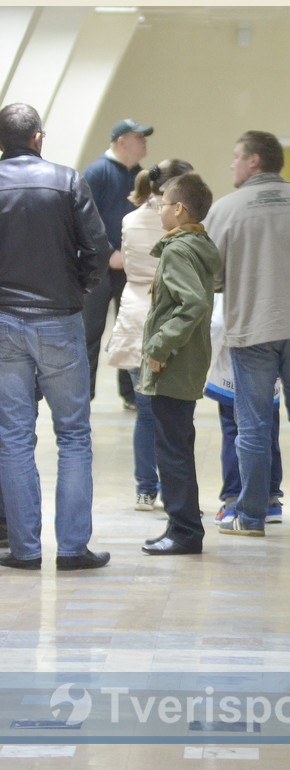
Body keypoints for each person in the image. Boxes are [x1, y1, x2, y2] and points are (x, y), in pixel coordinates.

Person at [206, 130, 290, 538]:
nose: (232, 163)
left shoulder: (226, 209)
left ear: (254, 161)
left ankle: (250, 517)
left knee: (251, 425)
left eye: (236, 156)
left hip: (252, 330)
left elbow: (210, 273)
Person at [0, 102, 111, 571]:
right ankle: (71, 549)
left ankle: (25, 550)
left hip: (4, 323)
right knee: (73, 436)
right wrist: (76, 292)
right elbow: (97, 249)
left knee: (13, 438)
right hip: (59, 321)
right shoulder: (67, 181)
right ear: (38, 138)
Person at [138, 173, 220, 556]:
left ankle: (185, 530)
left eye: (163, 204)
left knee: (171, 449)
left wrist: (158, 345)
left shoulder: (177, 250)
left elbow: (193, 304)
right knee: (177, 444)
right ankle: (181, 523)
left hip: (173, 362)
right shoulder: (198, 243)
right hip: (187, 359)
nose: (159, 210)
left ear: (179, 209)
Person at [107, 159, 193, 513]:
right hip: (167, 314)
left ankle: (145, 488)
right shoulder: (178, 220)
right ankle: (178, 494)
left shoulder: (131, 218)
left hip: (133, 313)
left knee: (144, 413)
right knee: (174, 414)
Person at [82, 118, 153, 407]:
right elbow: (85, 219)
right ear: (121, 141)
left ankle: (130, 393)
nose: (145, 142)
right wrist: (108, 252)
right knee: (91, 332)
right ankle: (84, 396)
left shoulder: (140, 175)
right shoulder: (96, 172)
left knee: (130, 329)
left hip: (131, 267)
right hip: (99, 268)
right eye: (140, 137)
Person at [204, 295, 286, 526]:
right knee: (268, 433)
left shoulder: (234, 270)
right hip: (272, 372)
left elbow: (218, 324)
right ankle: (270, 500)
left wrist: (205, 362)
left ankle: (233, 498)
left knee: (235, 435)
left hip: (234, 372)